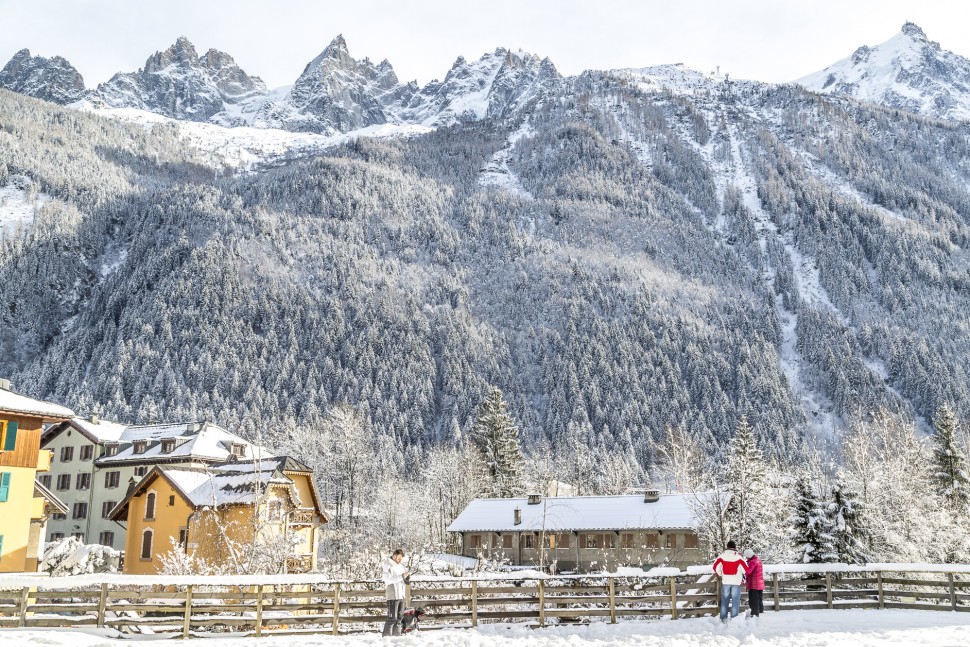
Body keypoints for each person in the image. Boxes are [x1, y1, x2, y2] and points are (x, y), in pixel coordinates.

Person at [713, 540, 747, 623]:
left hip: (726, 581)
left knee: (725, 599)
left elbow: (715, 567)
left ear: (727, 547)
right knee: (735, 600)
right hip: (736, 581)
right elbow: (746, 569)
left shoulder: (722, 556)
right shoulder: (739, 557)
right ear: (734, 548)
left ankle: (723, 617)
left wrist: (721, 574)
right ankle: (734, 618)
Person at [381, 548, 409, 636]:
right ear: (394, 556)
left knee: (399, 618)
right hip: (392, 595)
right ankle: (386, 638)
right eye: (399, 558)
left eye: (401, 559)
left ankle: (396, 637)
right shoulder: (387, 566)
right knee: (392, 618)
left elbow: (402, 579)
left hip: (401, 595)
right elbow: (387, 580)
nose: (400, 560)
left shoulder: (401, 567)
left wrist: (406, 579)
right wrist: (401, 576)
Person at [743, 548, 764, 617]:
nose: (746, 558)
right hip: (759, 583)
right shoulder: (758, 560)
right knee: (759, 598)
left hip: (754, 584)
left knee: (754, 599)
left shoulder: (752, 562)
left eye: (746, 556)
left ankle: (755, 613)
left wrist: (743, 570)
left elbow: (748, 571)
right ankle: (760, 610)